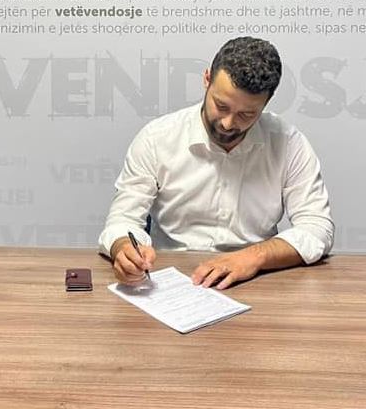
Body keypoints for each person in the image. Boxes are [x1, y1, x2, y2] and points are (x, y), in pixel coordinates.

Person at [98, 36, 334, 289]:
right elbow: (122, 220)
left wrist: (254, 257)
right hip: (171, 279)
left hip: (256, 279)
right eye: (221, 106)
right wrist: (124, 249)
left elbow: (317, 228)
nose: (228, 123)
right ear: (207, 79)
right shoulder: (157, 139)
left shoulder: (288, 143)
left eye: (246, 114)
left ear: (266, 102)